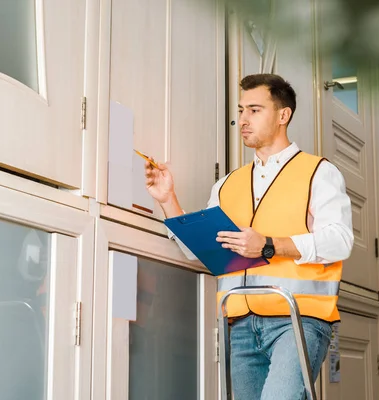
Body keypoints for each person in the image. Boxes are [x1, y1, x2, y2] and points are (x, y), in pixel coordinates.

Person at [143, 73, 353, 399]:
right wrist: (168, 198)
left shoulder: (318, 172)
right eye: (240, 110)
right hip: (239, 325)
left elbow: (340, 240)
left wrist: (270, 245)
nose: (242, 120)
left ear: (283, 115)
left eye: (254, 110)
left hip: (297, 320)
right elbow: (198, 250)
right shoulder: (227, 184)